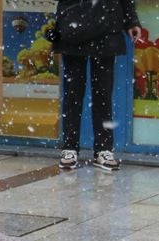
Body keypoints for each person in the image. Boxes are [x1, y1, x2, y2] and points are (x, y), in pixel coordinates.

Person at [50, 0, 141, 171]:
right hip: (74, 26)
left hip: (106, 29)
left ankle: (103, 150)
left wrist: (131, 21)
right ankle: (70, 148)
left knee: (103, 94)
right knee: (73, 94)